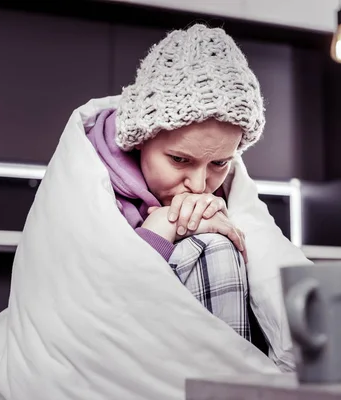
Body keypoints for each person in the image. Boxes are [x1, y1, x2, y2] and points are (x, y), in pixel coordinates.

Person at [86, 24, 267, 342]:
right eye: (180, 160)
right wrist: (161, 227)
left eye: (219, 163)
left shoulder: (226, 192)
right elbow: (94, 311)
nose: (199, 186)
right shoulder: (88, 181)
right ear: (141, 140)